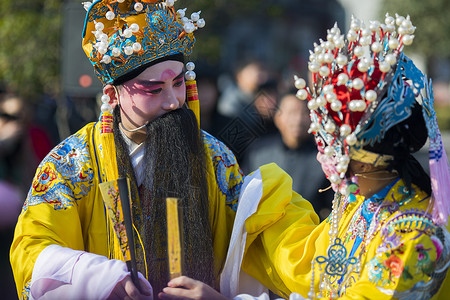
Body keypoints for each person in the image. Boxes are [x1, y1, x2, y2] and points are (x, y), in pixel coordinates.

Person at [159, 14, 450, 300]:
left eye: (333, 137)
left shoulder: (415, 235)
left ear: (370, 151)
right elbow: (305, 263)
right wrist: (245, 194)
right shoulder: (359, 202)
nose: (322, 145)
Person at [10, 1, 245, 299]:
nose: (174, 101)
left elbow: (260, 239)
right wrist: (101, 280)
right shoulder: (71, 163)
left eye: (178, 83)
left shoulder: (215, 157)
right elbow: (31, 249)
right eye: (154, 89)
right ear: (112, 94)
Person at [242, 92, 332, 220]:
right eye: (291, 113)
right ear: (277, 117)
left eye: (304, 113)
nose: (298, 120)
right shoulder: (258, 152)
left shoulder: (324, 158)